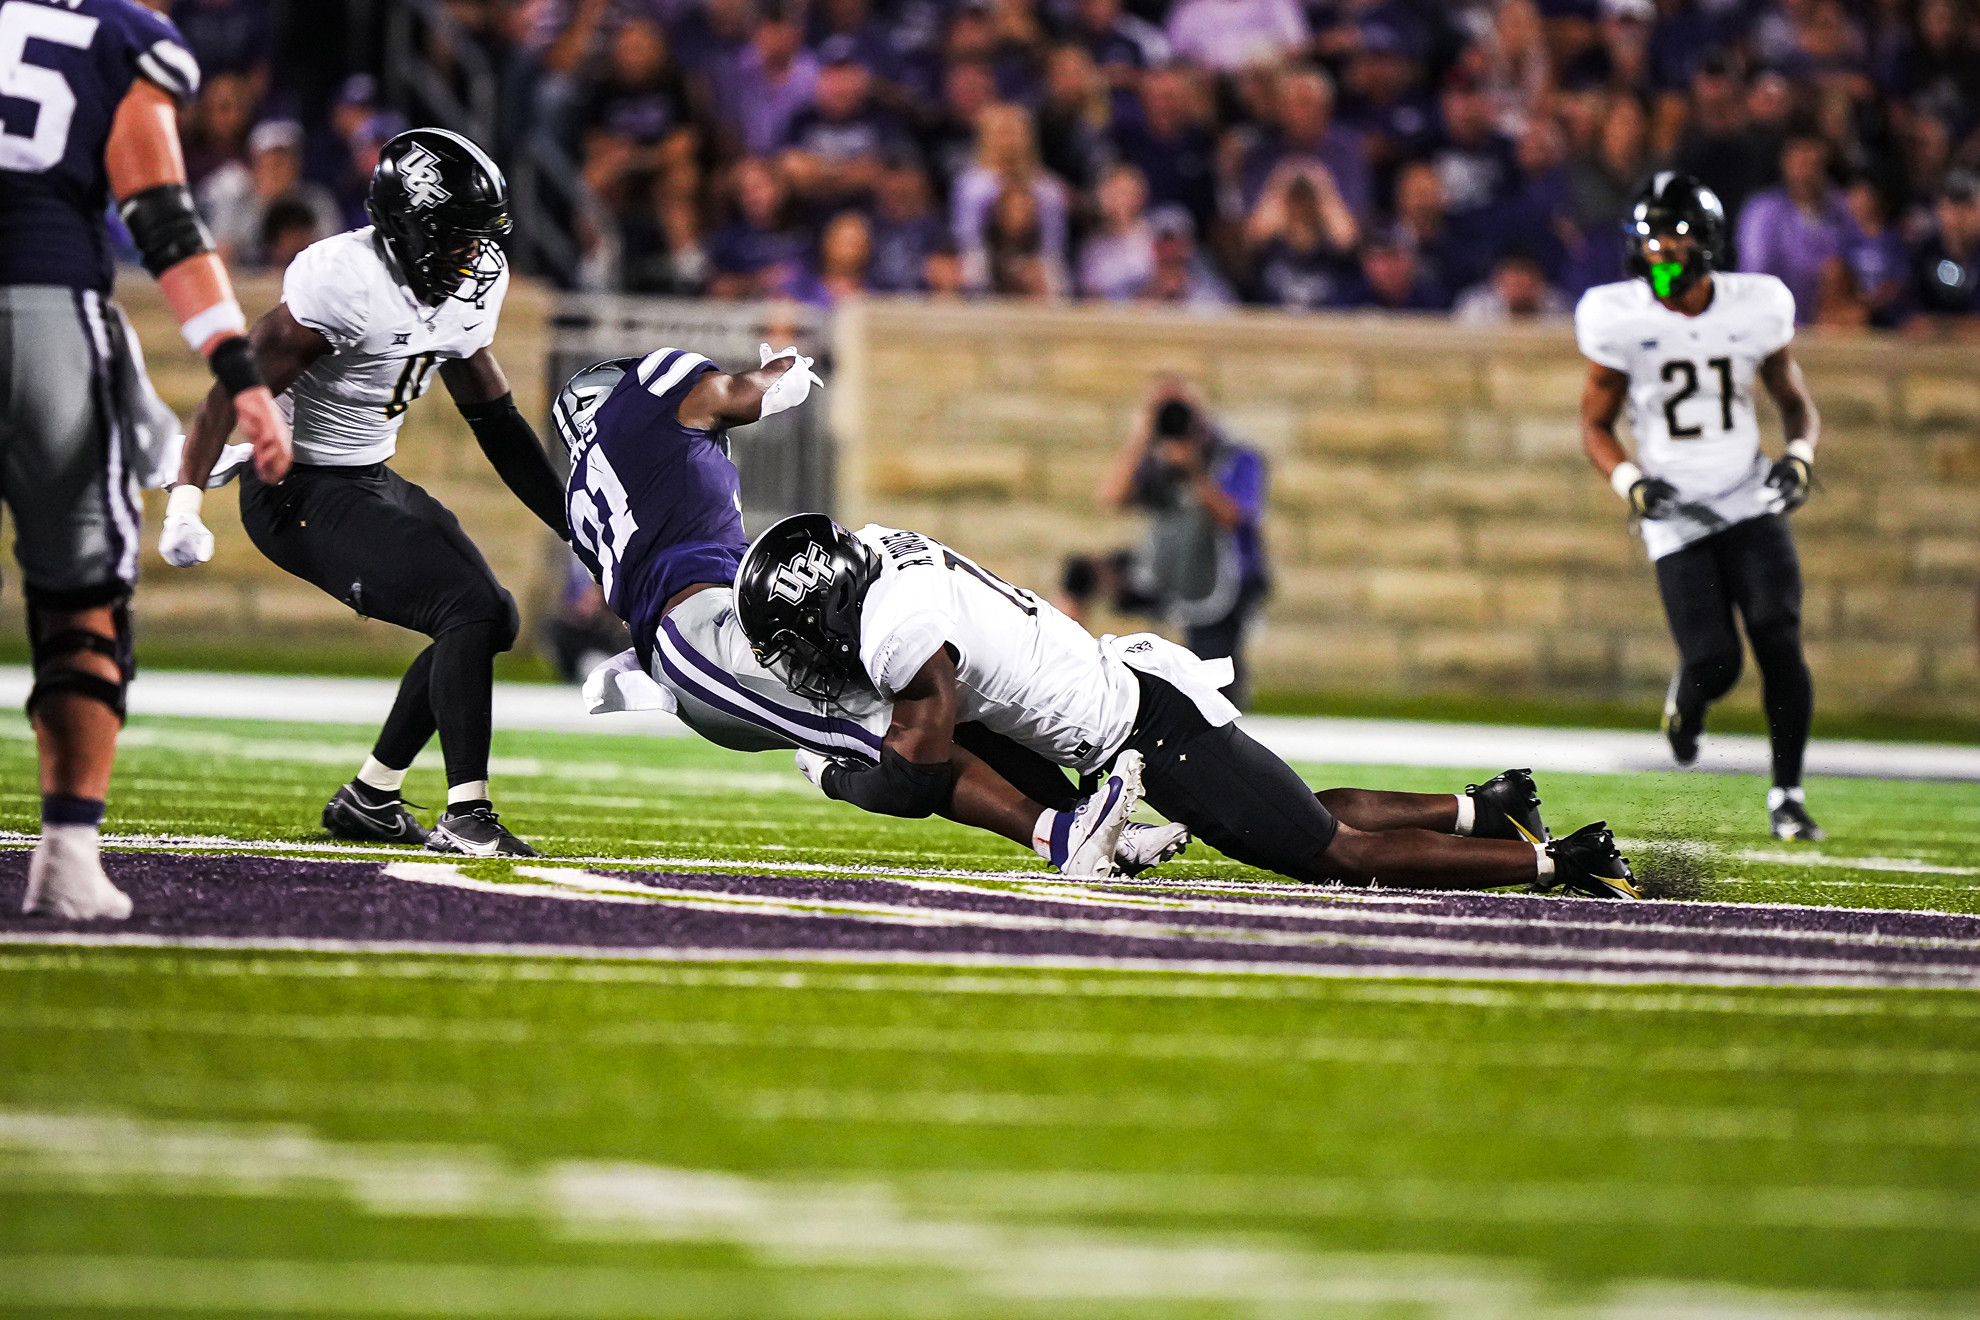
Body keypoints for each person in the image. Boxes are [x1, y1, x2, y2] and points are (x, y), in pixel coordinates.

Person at [733, 515, 1642, 898]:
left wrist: (832, 772)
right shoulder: (881, 565)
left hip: (1145, 727)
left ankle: (1558, 861)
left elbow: (919, 766)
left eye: (800, 638)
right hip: (1126, 710)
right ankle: (1488, 808)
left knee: (1331, 855)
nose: (803, 662)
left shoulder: (897, 625)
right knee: (1292, 818)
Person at [554, 352, 1182, 879]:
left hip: (708, 635)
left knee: (930, 703)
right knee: (898, 731)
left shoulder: (588, 494)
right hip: (705, 636)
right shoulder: (649, 394)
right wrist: (787, 365)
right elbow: (748, 393)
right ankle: (1063, 837)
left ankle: (1097, 833)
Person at [167, 128, 569, 858]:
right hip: (293, 488)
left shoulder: (467, 282)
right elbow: (239, 379)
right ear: (408, 226)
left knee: (493, 619)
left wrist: (576, 524)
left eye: (480, 241)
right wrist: (186, 498)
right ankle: (466, 812)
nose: (473, 258)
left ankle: (371, 796)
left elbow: (496, 420)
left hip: (364, 476)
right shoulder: (346, 280)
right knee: (467, 608)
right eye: (456, 239)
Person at [4, 0, 290, 920]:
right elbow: (162, 215)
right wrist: (240, 377)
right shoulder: (122, 35)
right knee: (82, 595)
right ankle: (68, 849)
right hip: (46, 310)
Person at [1575, 171, 1826, 842]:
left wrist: (1799, 454)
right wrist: (1630, 480)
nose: (1661, 250)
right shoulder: (1616, 315)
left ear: (1709, 240)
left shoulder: (1756, 304)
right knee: (1715, 662)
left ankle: (1788, 794)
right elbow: (1595, 424)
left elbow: (1794, 399)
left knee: (1778, 630)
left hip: (1747, 493)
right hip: (1675, 510)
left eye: (1677, 234)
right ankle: (1687, 703)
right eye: (1650, 235)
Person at [1071, 383, 1271, 707]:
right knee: (1080, 574)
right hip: (1163, 567)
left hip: (1221, 578)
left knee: (1213, 684)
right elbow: (1110, 497)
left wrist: (1193, 470)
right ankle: (1065, 674)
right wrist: (1140, 437)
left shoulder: (1234, 455)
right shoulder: (1155, 455)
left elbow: (1233, 516)